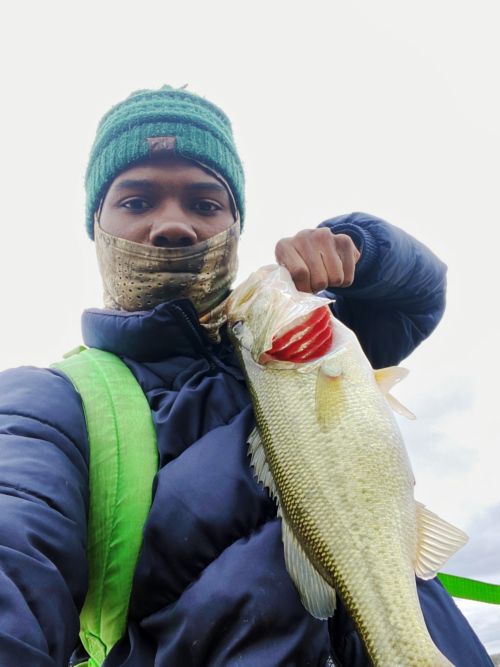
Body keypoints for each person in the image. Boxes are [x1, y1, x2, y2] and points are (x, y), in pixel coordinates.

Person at [0, 85, 492, 667]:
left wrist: (358, 247)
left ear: (236, 224)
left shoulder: (298, 346)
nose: (174, 225)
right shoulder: (47, 405)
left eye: (206, 203)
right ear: (95, 226)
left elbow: (419, 295)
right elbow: (16, 554)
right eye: (136, 202)